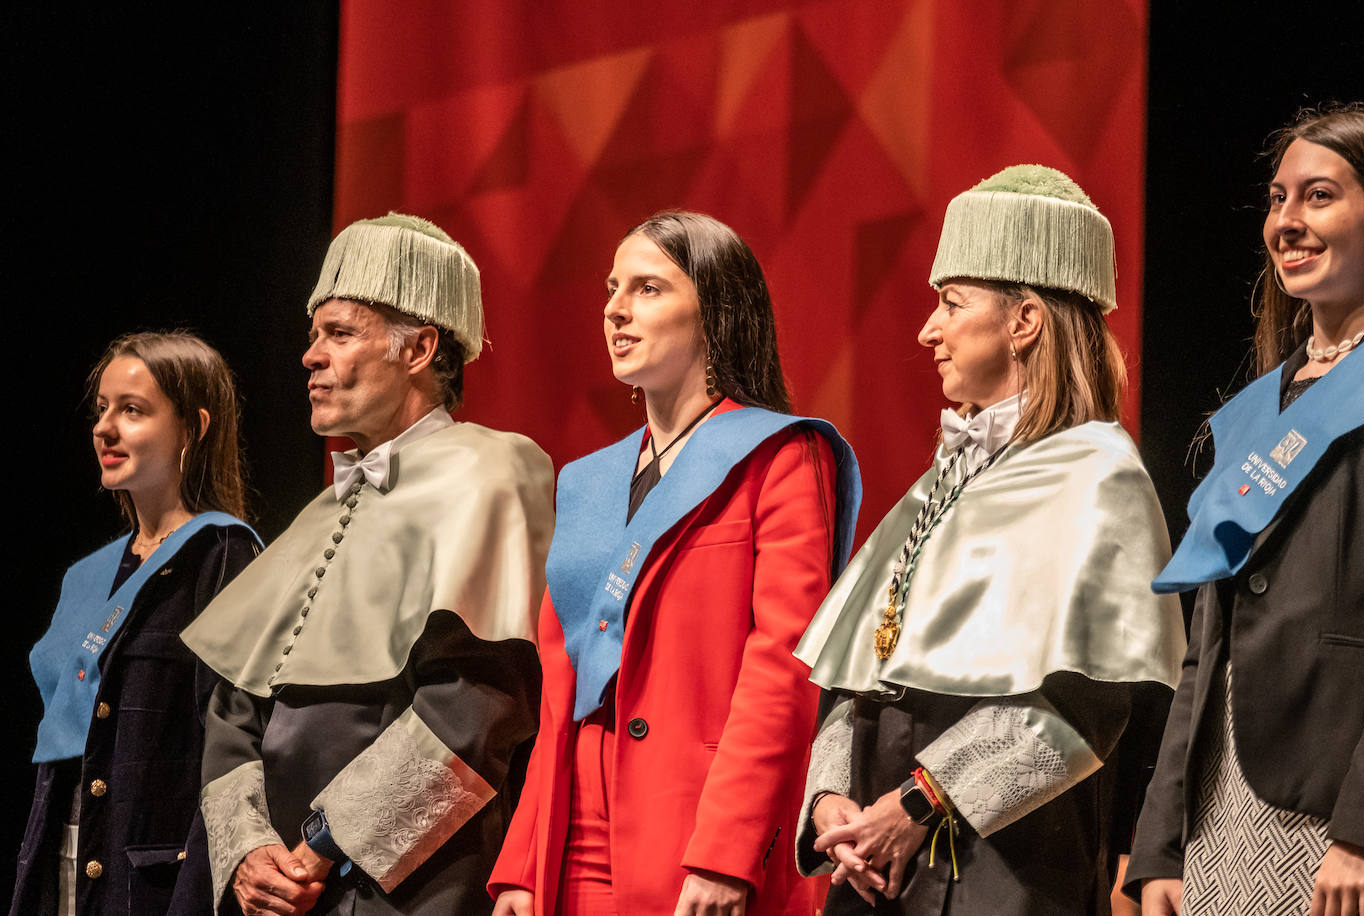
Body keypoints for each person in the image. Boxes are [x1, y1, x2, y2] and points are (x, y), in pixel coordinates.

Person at [794, 166, 1188, 915]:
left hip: (1004, 875)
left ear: (1024, 321)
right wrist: (832, 799)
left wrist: (917, 805)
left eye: (951, 304)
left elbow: (1086, 707)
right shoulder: (943, 479)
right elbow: (862, 668)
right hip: (874, 868)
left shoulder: (1100, 478)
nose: (928, 330)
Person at [487, 210, 861, 915]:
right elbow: (560, 683)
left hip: (696, 830)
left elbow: (784, 664)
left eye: (649, 288)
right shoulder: (587, 481)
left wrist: (727, 849)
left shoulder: (778, 457)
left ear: (716, 312)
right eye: (611, 288)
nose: (615, 310)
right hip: (571, 835)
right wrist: (523, 861)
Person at [181, 213, 555, 915]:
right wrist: (249, 853)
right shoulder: (321, 510)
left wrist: (324, 846)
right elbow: (233, 712)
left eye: (340, 334)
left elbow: (476, 705)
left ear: (419, 347)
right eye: (313, 334)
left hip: (409, 887)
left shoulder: (493, 471)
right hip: (284, 893)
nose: (310, 356)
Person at [1126, 104, 1364, 916]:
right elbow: (1207, 643)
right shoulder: (1256, 411)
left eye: (1320, 196)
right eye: (1277, 199)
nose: (1288, 221)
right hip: (1220, 808)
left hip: (1335, 810)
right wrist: (1162, 839)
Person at [12, 332, 259, 916]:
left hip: (152, 876)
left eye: (132, 410)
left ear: (194, 429)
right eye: (102, 409)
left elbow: (230, 746)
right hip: (61, 849)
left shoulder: (221, 553)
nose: (104, 428)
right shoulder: (86, 574)